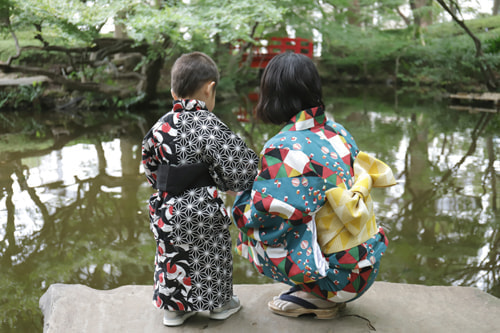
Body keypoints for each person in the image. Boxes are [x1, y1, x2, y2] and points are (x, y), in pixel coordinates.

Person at [232, 52, 396, 319]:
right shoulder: (337, 130)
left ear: (273, 94)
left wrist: (241, 193)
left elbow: (264, 219)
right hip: (365, 266)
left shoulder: (282, 146)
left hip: (338, 280)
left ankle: (317, 293)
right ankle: (319, 283)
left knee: (254, 225)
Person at [142, 51, 259, 326]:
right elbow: (241, 170)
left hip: (168, 211)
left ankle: (174, 308)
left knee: (170, 251)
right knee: (213, 250)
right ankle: (219, 304)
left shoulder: (159, 127)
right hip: (204, 210)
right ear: (210, 89)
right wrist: (226, 183)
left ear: (173, 92)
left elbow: (150, 171)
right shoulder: (210, 125)